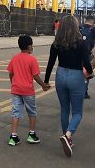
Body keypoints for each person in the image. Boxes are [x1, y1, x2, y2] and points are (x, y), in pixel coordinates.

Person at [44, 15, 94, 158]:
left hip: (60, 74)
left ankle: (67, 138)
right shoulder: (81, 43)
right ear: (75, 26)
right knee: (77, 112)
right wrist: (89, 73)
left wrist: (46, 81)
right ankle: (68, 135)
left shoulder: (56, 43)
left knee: (64, 109)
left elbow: (50, 63)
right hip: (76, 76)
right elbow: (87, 63)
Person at [6, 35, 50, 146]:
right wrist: (43, 85)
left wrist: (13, 83)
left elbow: (11, 73)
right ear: (29, 46)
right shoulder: (32, 59)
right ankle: (31, 134)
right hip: (28, 91)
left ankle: (13, 136)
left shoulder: (14, 58)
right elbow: (35, 76)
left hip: (16, 89)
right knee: (32, 112)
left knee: (16, 112)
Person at [79, 16, 95, 99]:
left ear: (85, 20)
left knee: (78, 73)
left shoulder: (79, 29)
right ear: (92, 22)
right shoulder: (92, 31)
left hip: (77, 54)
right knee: (86, 74)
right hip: (88, 55)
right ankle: (84, 92)